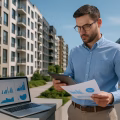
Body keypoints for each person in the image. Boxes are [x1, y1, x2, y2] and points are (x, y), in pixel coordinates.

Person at [53, 4, 120, 120]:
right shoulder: (74, 52)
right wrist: (60, 83)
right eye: (78, 27)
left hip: (103, 114)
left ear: (99, 23)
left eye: (86, 26)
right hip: (74, 112)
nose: (81, 32)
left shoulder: (116, 51)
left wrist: (111, 96)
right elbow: (68, 75)